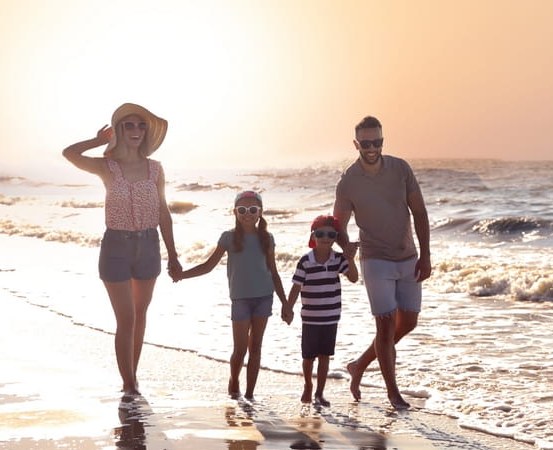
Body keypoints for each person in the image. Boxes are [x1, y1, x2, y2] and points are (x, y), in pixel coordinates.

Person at [62, 103, 181, 396]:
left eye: (141, 126)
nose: (136, 131)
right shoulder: (106, 166)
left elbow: (163, 212)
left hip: (149, 245)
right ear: (119, 130)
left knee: (140, 315)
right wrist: (97, 141)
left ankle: (132, 377)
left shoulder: (155, 169)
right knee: (126, 318)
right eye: (129, 125)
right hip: (116, 246)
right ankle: (129, 386)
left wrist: (174, 256)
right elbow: (69, 154)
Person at [333, 115, 432, 409]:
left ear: (382, 141)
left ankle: (360, 364)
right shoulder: (348, 182)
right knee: (386, 326)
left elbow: (420, 213)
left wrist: (425, 255)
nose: (371, 147)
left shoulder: (400, 168)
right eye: (365, 143)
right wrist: (345, 244)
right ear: (356, 144)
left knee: (408, 322)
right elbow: (338, 223)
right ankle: (393, 393)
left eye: (376, 141)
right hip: (375, 259)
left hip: (408, 256)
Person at [172, 190, 288, 400]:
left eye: (253, 209)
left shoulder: (267, 238)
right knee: (240, 348)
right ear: (235, 212)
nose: (248, 214)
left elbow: (274, 272)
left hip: (264, 297)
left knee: (256, 347)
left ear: (260, 212)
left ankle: (251, 394)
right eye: (242, 210)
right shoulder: (228, 237)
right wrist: (182, 275)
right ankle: (234, 380)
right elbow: (208, 266)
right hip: (240, 299)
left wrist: (285, 303)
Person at [281, 215, 359, 406]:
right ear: (313, 236)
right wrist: (288, 308)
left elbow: (354, 278)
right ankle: (308, 385)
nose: (325, 237)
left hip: (331, 317)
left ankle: (319, 393)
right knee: (308, 358)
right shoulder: (305, 261)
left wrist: (350, 259)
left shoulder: (338, 259)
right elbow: (296, 287)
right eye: (321, 233)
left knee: (325, 356)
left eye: (331, 234)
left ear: (335, 238)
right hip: (310, 318)